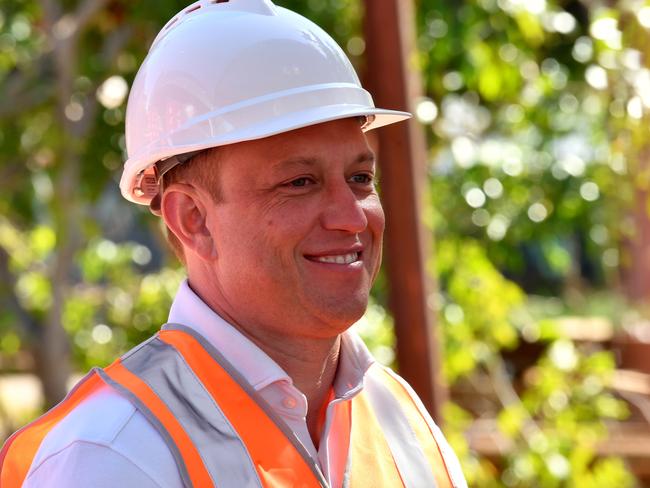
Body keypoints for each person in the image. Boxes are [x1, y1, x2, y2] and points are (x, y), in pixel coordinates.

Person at [1, 1, 467, 487]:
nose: (351, 217)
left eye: (359, 177)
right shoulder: (113, 455)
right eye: (300, 182)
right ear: (193, 218)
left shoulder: (403, 425)